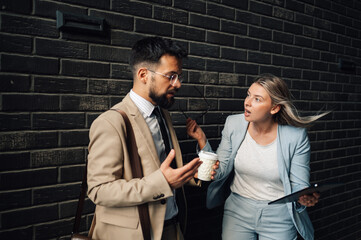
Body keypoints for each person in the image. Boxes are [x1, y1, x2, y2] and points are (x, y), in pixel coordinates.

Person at [187, 73, 329, 240]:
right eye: (248, 95)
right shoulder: (233, 124)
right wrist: (202, 141)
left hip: (279, 215)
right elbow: (221, 170)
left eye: (257, 99)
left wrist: (304, 197)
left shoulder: (296, 137)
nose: (247, 102)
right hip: (238, 210)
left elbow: (299, 185)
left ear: (274, 108)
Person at [87, 37, 202, 240]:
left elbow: (165, 169)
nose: (178, 84)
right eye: (171, 76)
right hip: (136, 234)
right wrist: (161, 182)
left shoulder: (163, 114)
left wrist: (193, 174)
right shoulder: (111, 122)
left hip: (172, 226)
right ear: (143, 75)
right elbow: (99, 190)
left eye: (179, 76)